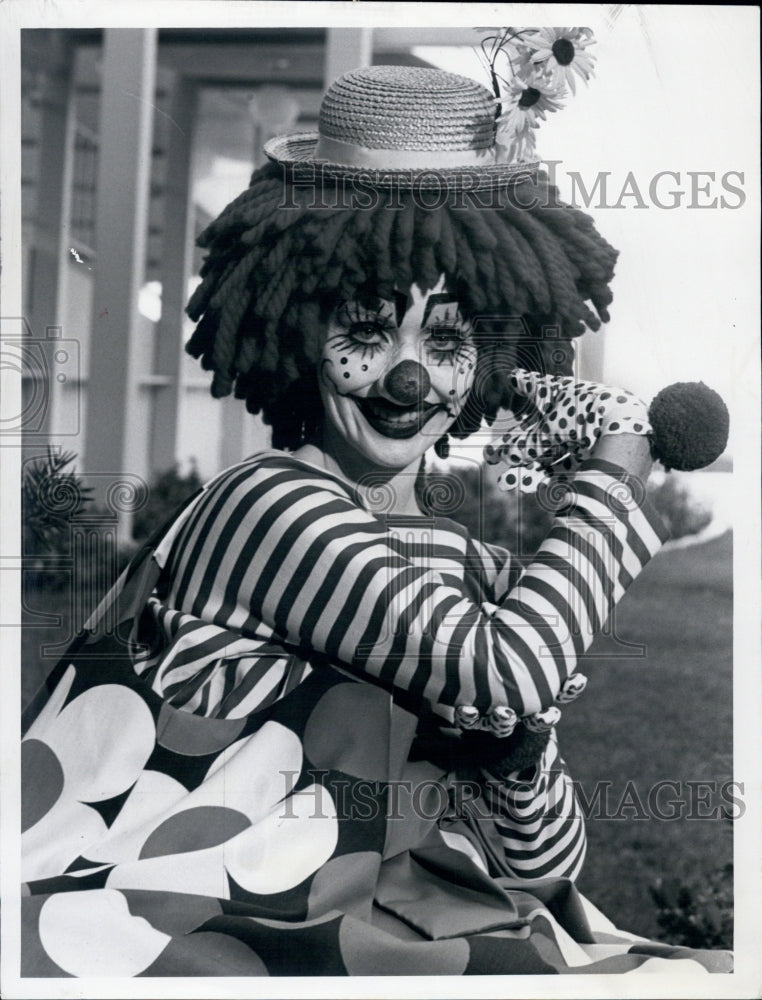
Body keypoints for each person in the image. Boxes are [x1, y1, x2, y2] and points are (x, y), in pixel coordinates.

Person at [20, 60, 732, 976]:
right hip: (198, 926)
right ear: (293, 330)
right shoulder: (263, 507)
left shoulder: (470, 575)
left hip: (399, 933)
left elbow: (544, 867)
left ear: (490, 361)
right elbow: (510, 669)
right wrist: (616, 472)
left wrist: (518, 753)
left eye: (445, 340)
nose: (409, 379)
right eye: (365, 330)